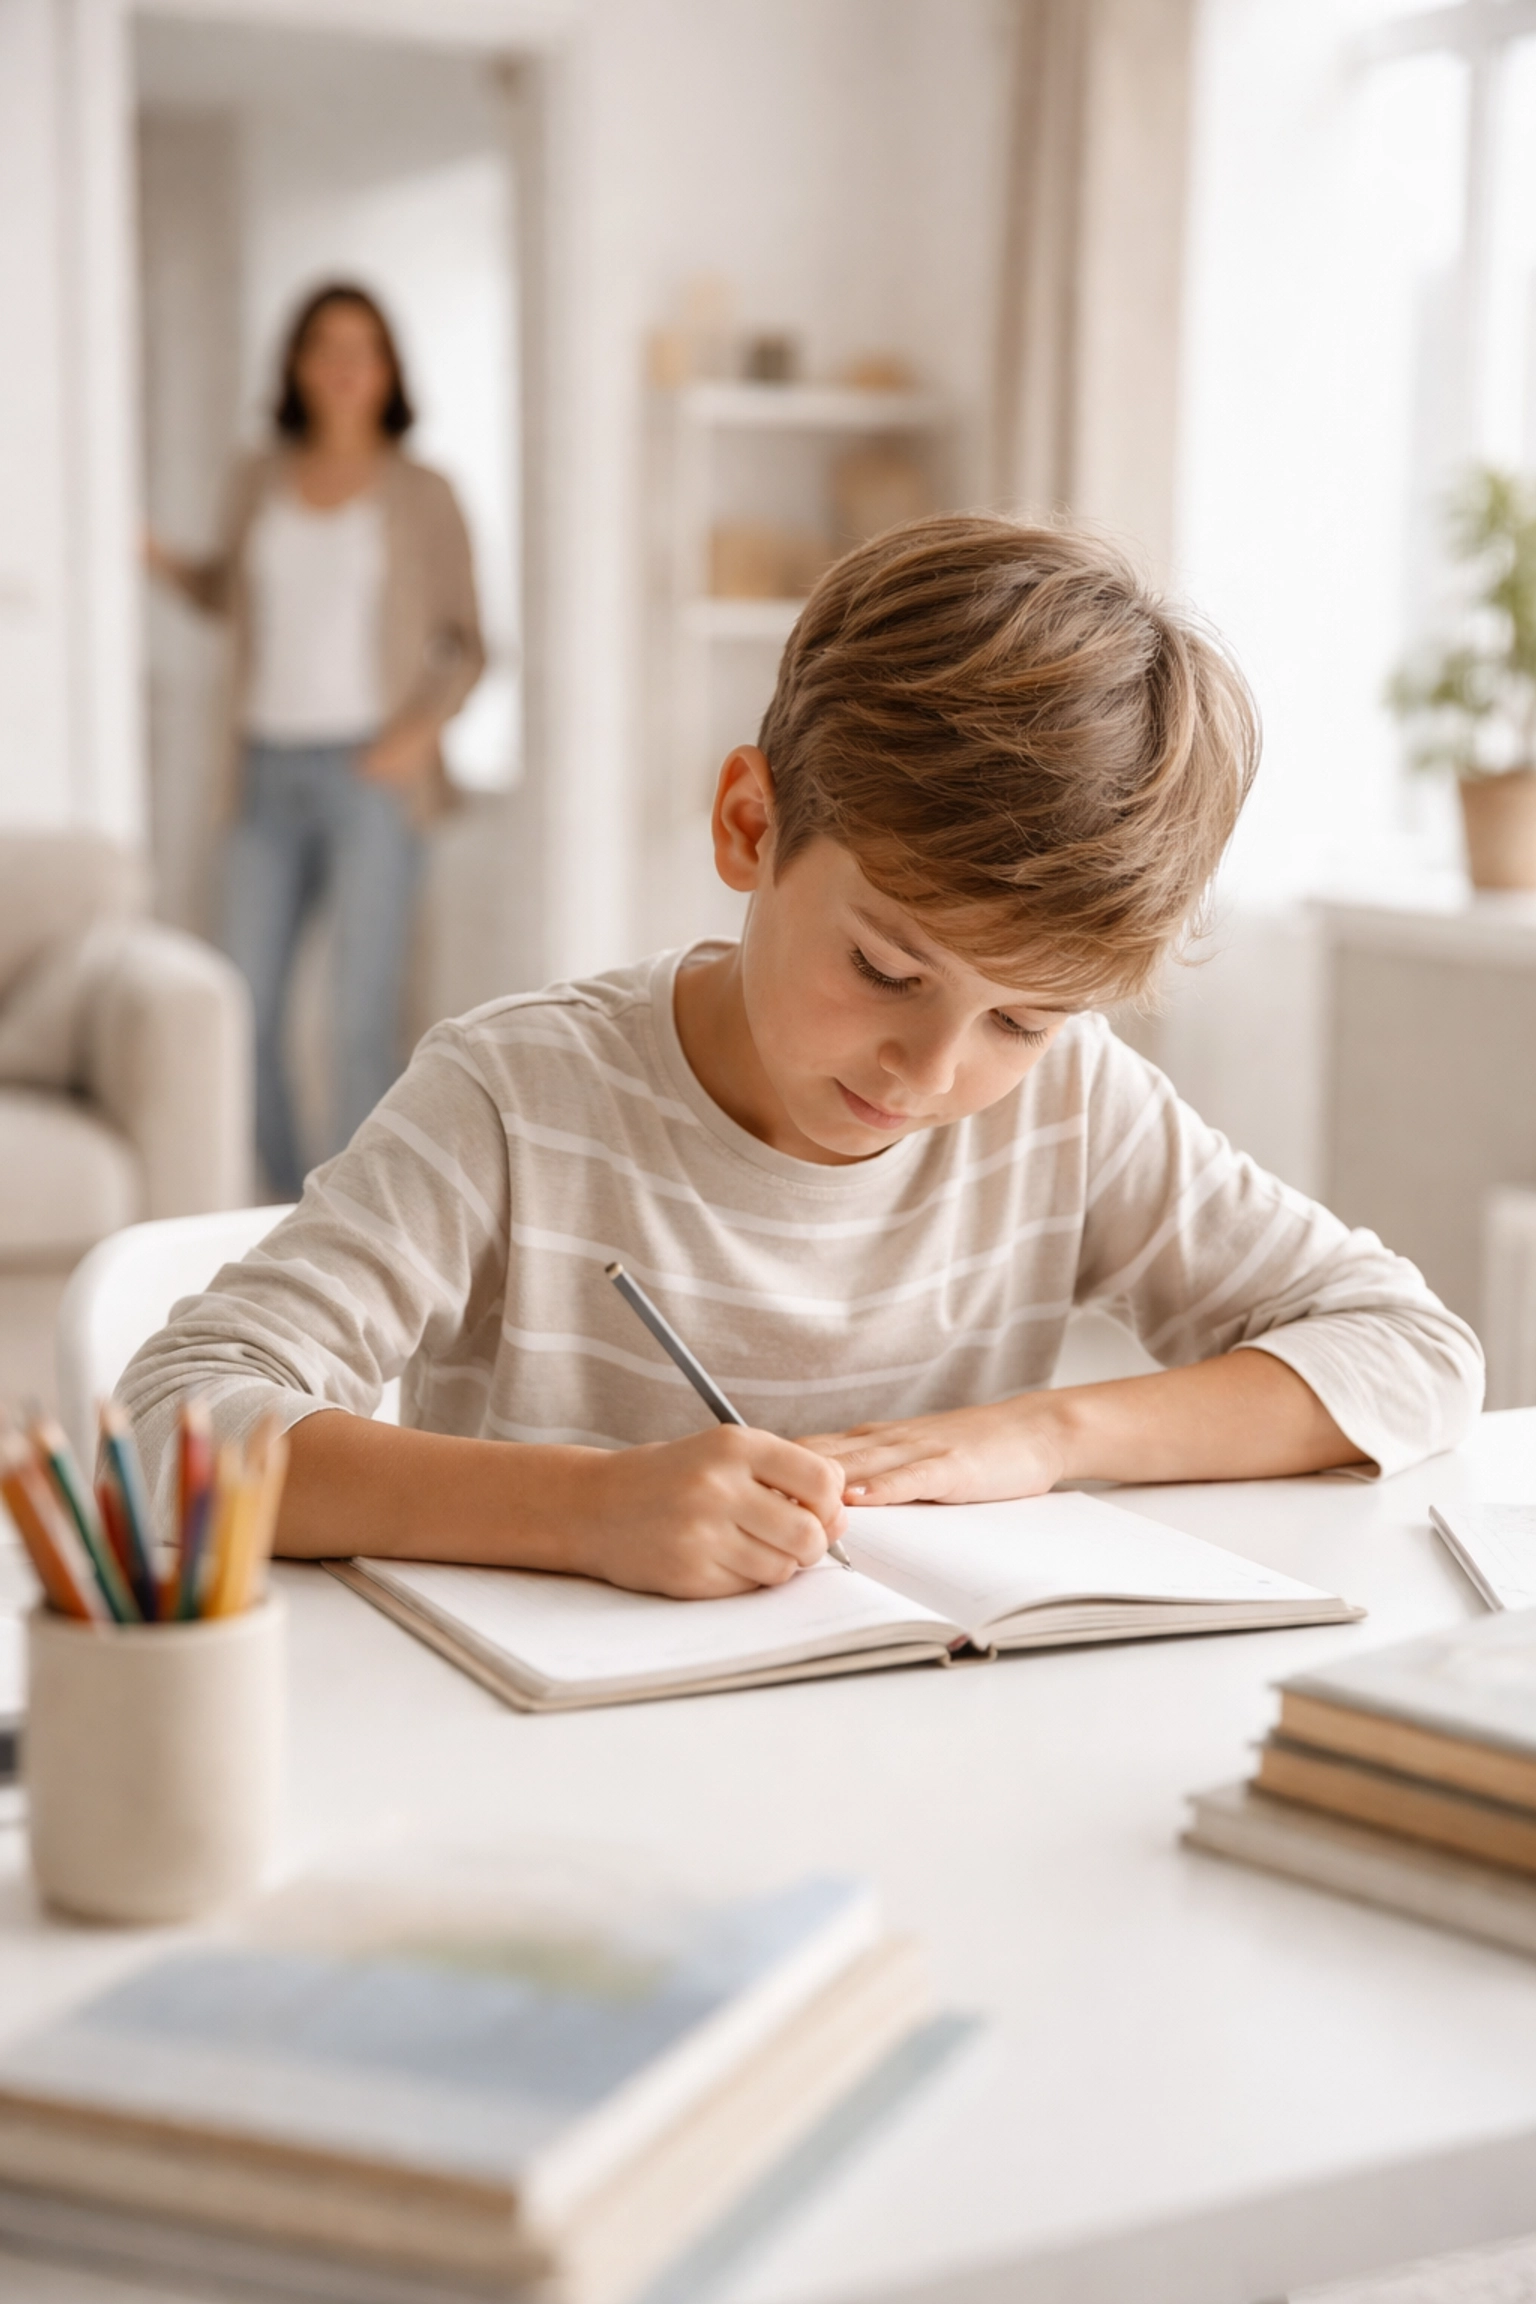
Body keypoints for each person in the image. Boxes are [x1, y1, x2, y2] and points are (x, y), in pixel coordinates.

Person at [120, 517, 1483, 1596]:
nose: (934, 1068)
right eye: (888, 968)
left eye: (1022, 1017)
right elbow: (169, 1426)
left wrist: (1044, 1434)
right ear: (747, 826)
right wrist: (588, 1511)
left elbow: (1410, 1351)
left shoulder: (1074, 1108)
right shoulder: (514, 1101)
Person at [147, 283, 485, 1201]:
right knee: (242, 1007)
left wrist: (415, 734)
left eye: (363, 349)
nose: (342, 367)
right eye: (324, 347)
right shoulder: (255, 479)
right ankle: (289, 1210)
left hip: (371, 776)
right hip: (260, 770)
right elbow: (232, 596)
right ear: (296, 365)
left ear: (387, 371)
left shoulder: (424, 493)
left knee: (357, 1020)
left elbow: (465, 638)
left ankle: (361, 1219)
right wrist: (155, 561)